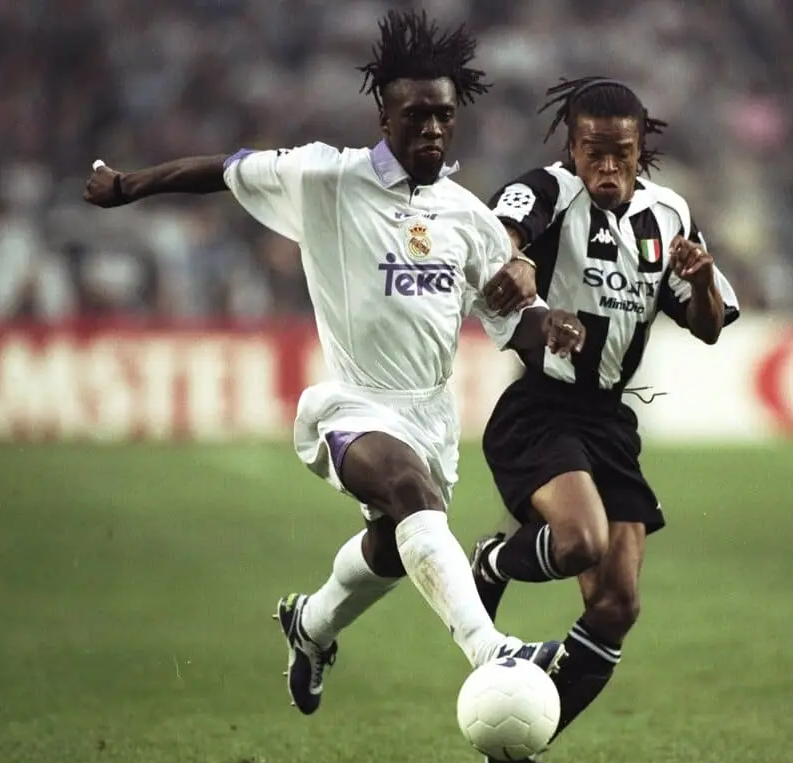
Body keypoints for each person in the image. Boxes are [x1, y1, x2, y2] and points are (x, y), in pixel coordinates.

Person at [82, 10, 587, 718]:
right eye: (417, 115)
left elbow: (514, 320)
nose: (433, 130)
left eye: (444, 116)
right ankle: (491, 649)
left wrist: (552, 324)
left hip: (431, 414)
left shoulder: (468, 217)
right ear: (384, 115)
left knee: (392, 544)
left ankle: (311, 626)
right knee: (411, 495)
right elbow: (225, 170)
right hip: (352, 401)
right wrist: (131, 185)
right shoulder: (327, 178)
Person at [469, 77, 740, 763]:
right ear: (572, 146)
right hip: (542, 409)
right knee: (581, 539)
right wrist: (516, 264)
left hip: (611, 421)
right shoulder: (549, 191)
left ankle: (514, 752)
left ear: (641, 148)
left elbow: (709, 326)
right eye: (594, 151)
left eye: (622, 153)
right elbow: (495, 237)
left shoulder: (668, 213)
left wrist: (704, 278)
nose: (608, 167)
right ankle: (492, 561)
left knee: (617, 605)